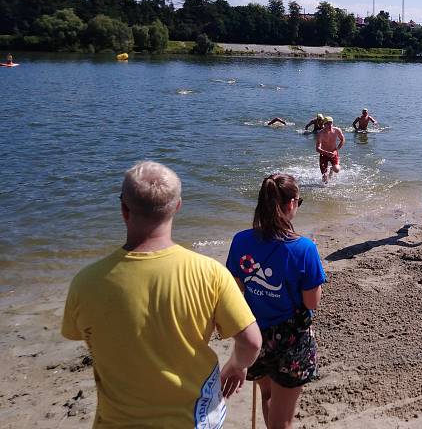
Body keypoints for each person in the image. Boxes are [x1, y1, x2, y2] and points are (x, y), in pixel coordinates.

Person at [61, 161, 262, 427]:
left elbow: (78, 333)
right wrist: (237, 366)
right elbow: (251, 342)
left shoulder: (85, 282)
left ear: (123, 209)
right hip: (193, 419)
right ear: (177, 206)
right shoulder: (209, 273)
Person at [226, 173, 326, 428]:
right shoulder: (304, 249)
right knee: (283, 417)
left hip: (254, 334)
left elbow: (237, 290)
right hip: (290, 339)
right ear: (291, 204)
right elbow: (312, 302)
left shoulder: (240, 241)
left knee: (268, 396)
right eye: (299, 202)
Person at [316, 116, 344, 183]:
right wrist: (326, 153)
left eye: (331, 123)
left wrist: (336, 150)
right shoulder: (320, 133)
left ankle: (332, 169)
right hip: (324, 154)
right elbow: (317, 148)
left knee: (336, 170)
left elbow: (342, 140)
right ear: (324, 125)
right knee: (324, 179)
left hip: (333, 152)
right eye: (328, 123)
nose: (330, 125)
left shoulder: (337, 130)